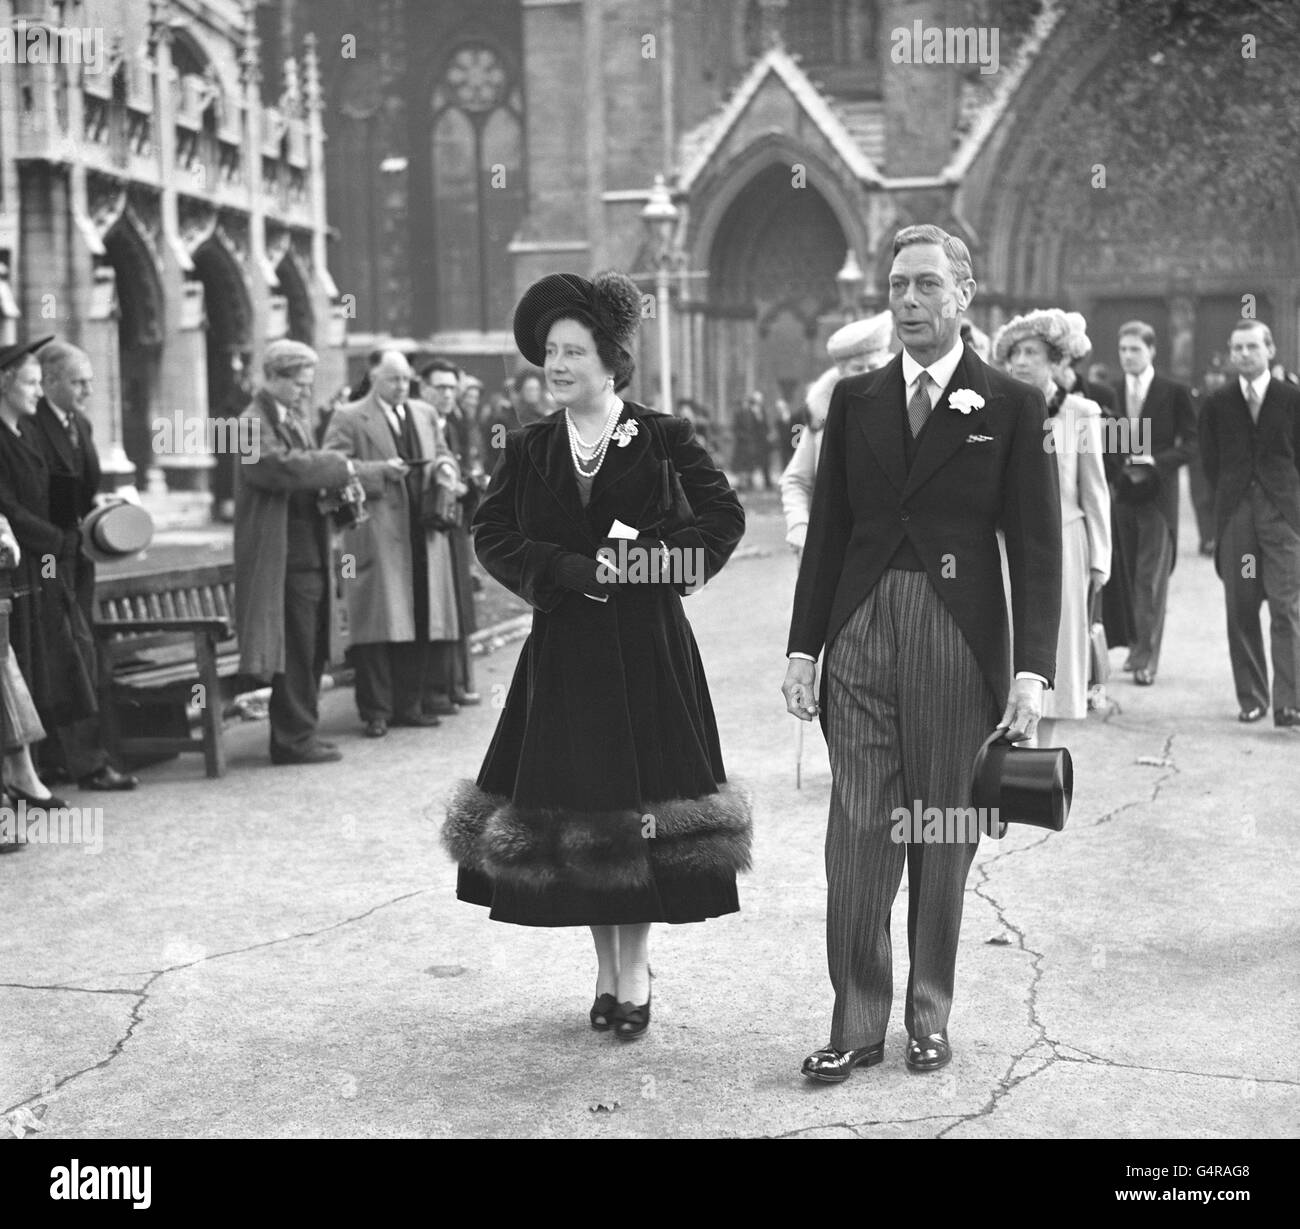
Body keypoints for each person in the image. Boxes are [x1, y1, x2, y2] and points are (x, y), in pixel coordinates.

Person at [783, 224, 1061, 1082]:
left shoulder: (1010, 404)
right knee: (859, 828)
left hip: (957, 637)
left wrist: (1031, 668)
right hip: (861, 627)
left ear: (964, 294)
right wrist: (804, 648)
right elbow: (828, 532)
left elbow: (1039, 545)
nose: (908, 301)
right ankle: (858, 1019)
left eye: (927, 286)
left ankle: (928, 1013)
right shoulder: (856, 400)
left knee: (942, 824)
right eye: (898, 286)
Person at [443, 270, 749, 1041]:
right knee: (584, 811)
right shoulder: (532, 444)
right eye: (550, 351)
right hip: (567, 653)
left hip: (645, 652)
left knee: (637, 806)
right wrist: (563, 570)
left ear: (611, 362)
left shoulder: (663, 436)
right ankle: (606, 970)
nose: (558, 364)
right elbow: (493, 533)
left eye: (573, 351)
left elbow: (721, 519)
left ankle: (635, 971)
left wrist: (646, 562)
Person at [234, 340, 397, 765]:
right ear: (273, 378)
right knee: (295, 647)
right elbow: (276, 468)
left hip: (309, 554)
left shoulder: (293, 419)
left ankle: (302, 732)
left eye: (309, 385)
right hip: (281, 559)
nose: (307, 393)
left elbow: (304, 468)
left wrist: (342, 484)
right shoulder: (249, 424)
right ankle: (291, 740)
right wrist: (340, 466)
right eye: (299, 385)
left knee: (311, 647)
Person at [324, 352, 462, 737]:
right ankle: (376, 711)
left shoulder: (423, 412)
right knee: (379, 623)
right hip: (377, 530)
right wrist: (379, 473)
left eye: (406, 379)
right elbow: (334, 467)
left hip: (421, 527)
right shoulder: (349, 416)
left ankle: (410, 704)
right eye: (392, 379)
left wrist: (447, 468)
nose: (401, 386)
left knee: (417, 617)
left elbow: (443, 452)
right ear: (373, 377)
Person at [995, 309, 1111, 733]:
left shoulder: (1080, 412)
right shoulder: (996, 408)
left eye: (1031, 352)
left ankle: (1040, 759)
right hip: (1008, 545)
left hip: (1066, 543)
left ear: (1056, 361)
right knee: (1010, 647)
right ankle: (1009, 744)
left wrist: (1100, 559)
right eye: (1014, 353)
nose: (1021, 361)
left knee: (1057, 647)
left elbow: (1094, 489)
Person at [32, 340, 139, 791]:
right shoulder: (31, 427)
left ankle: (65, 759)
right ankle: (86, 763)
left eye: (90, 382)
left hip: (80, 557)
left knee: (77, 651)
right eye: (78, 382)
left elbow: (80, 486)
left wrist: (101, 505)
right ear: (50, 382)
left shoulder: (82, 424)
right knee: (68, 654)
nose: (87, 391)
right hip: (47, 560)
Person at [0, 339, 103, 783]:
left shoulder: (38, 431)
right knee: (34, 658)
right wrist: (54, 538)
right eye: (32, 382)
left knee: (56, 656)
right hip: (28, 561)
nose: (38, 392)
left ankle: (41, 770)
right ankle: (36, 772)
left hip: (51, 557)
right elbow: (11, 505)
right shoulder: (14, 434)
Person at [1200, 320, 1300, 728]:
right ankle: (1253, 697)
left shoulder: (1291, 398)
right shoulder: (1217, 401)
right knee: (1241, 607)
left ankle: (1290, 702)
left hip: (1282, 521)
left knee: (1286, 606)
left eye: (1252, 347)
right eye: (1237, 347)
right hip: (1239, 522)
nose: (1243, 354)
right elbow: (1209, 462)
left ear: (1270, 350)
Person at [1108, 321, 1196, 686]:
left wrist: (1155, 462)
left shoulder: (1173, 391)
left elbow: (1191, 444)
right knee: (1126, 578)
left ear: (1152, 351)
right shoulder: (1111, 391)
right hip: (1122, 496)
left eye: (1135, 350)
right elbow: (1106, 439)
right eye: (1123, 350)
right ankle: (1134, 646)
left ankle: (1148, 658)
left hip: (1158, 498)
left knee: (1150, 581)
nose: (1128, 356)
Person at [780, 311, 894, 557]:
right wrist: (799, 525)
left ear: (887, 362)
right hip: (836, 549)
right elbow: (795, 480)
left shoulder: (909, 409)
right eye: (857, 368)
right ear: (841, 372)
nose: (867, 374)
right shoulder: (824, 417)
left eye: (873, 366)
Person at [418, 357, 481, 706]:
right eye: (439, 388)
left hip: (454, 520)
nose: (447, 395)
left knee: (458, 599)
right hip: (432, 522)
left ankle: (457, 681)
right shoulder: (421, 423)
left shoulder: (453, 424)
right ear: (424, 387)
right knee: (439, 602)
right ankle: (439, 686)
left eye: (451, 388)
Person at [1190, 356, 1228, 557]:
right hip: (1198, 456)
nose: (1215, 379)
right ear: (1205, 377)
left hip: (1222, 456)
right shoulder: (1195, 398)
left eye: (1219, 374)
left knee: (1217, 496)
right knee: (1201, 498)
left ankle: (1216, 537)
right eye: (1212, 374)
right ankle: (1207, 539)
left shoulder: (1229, 399)